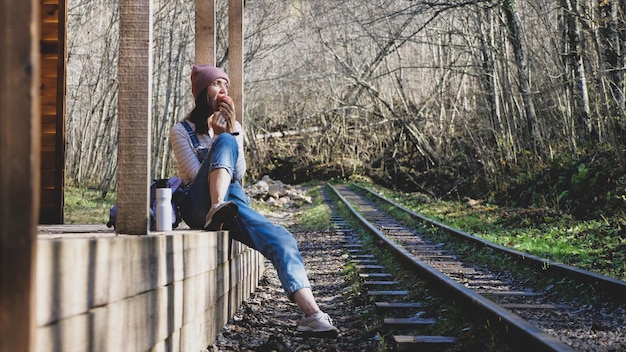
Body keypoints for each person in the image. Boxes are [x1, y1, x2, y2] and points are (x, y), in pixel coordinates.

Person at [170, 64, 338, 336]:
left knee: (282, 239)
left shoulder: (234, 126)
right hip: (198, 206)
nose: (224, 89)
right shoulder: (181, 130)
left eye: (225, 84)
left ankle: (313, 314)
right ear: (202, 93)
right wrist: (220, 139)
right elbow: (190, 174)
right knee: (224, 146)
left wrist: (232, 131)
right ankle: (217, 207)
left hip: (231, 204)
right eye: (216, 84)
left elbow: (239, 173)